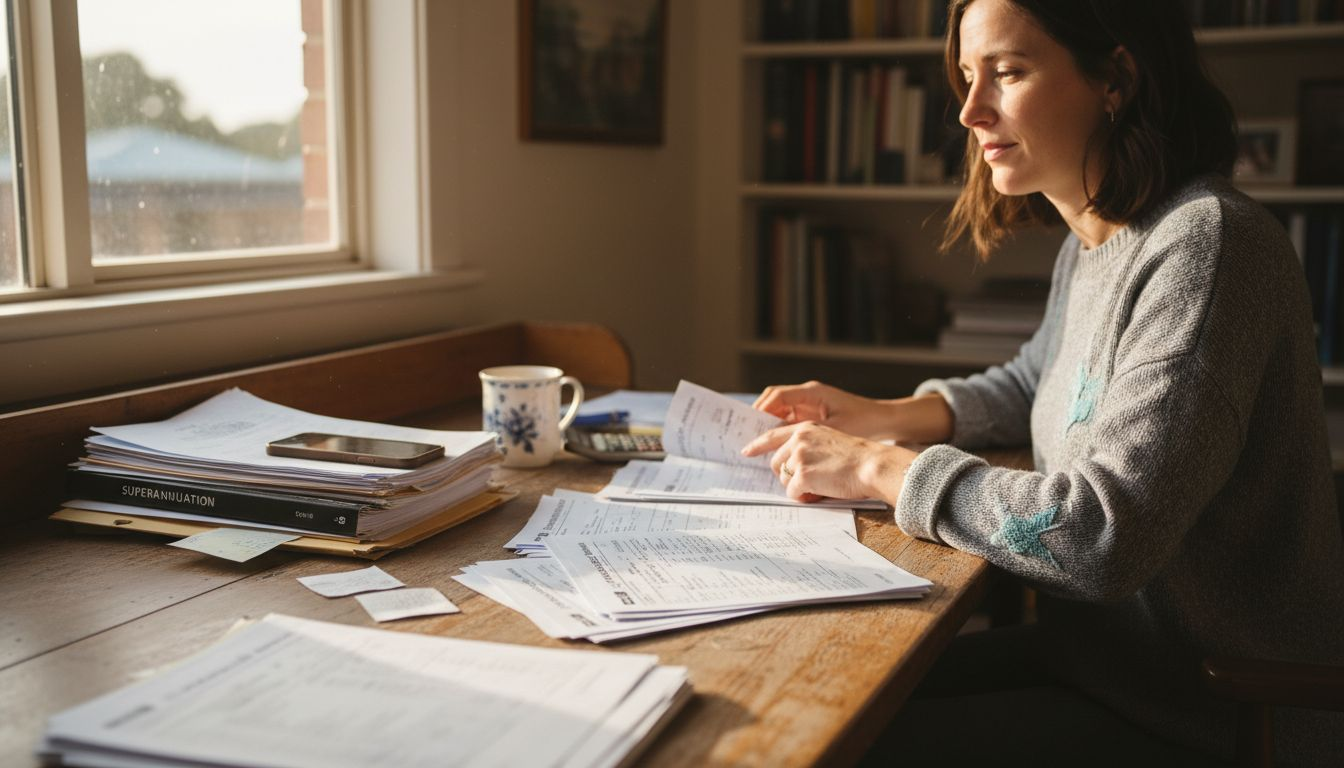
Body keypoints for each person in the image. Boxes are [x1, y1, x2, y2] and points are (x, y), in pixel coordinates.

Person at [741, 0, 1344, 765]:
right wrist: (886, 414)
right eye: (966, 76)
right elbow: (1037, 383)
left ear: (1115, 79)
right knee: (819, 695)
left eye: (1008, 72)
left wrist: (876, 467)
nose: (968, 110)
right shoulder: (1097, 241)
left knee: (835, 744)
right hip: (1107, 663)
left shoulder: (1208, 248)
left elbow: (1098, 534)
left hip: (1217, 710)